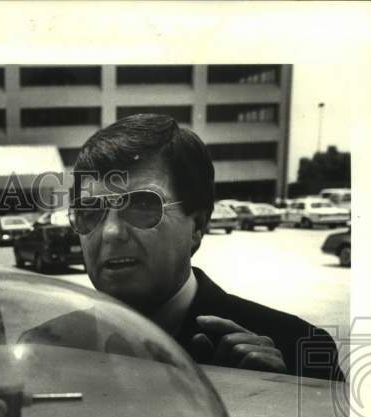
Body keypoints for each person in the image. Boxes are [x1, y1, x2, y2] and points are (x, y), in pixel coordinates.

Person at [29, 114, 343, 381]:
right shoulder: (43, 347)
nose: (111, 232)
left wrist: (274, 398)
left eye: (141, 206)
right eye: (90, 211)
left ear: (197, 225)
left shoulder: (297, 346)